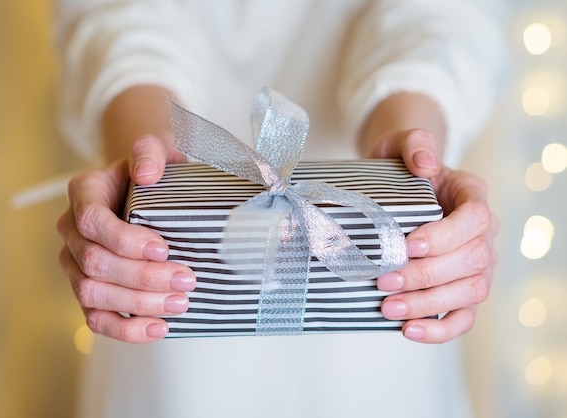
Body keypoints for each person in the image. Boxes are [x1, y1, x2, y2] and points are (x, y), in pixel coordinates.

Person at [54, 1, 505, 417]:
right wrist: (145, 157)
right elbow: (118, 15)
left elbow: (440, 14)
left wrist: (411, 149)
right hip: (161, 306)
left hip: (383, 322)